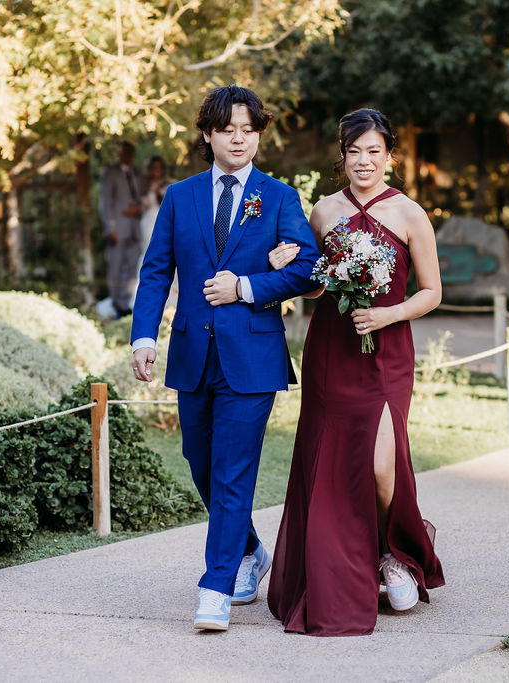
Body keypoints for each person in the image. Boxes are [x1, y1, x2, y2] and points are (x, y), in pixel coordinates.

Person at [129, 85, 321, 631]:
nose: (240, 138)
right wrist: (145, 337)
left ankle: (215, 586)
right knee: (199, 461)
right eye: (228, 129)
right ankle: (250, 550)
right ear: (208, 134)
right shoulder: (180, 196)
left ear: (259, 134)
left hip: (252, 358)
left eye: (249, 129)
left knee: (234, 471)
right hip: (192, 352)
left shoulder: (278, 197)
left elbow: (308, 268)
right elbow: (155, 271)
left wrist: (247, 286)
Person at [266, 108, 446, 637]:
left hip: (387, 351)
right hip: (333, 349)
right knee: (333, 461)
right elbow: (317, 284)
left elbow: (432, 292)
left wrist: (389, 313)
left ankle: (394, 553)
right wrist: (288, 266)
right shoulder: (323, 211)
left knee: (382, 466)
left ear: (390, 156)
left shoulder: (411, 213)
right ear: (341, 157)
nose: (363, 161)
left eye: (374, 152)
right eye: (354, 152)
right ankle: (353, 566)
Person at [99, 140, 143, 317]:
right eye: (123, 152)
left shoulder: (137, 174)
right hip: (118, 228)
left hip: (135, 228)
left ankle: (125, 303)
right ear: (119, 153)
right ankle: (116, 303)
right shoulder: (111, 173)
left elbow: (142, 198)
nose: (126, 156)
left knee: (132, 267)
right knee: (116, 266)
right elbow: (105, 201)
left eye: (129, 152)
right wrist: (111, 228)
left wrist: (138, 209)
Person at [134, 156, 174, 307]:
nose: (157, 170)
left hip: (163, 217)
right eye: (154, 167)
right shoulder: (143, 184)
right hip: (149, 219)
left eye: (159, 167)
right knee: (148, 251)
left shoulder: (169, 183)